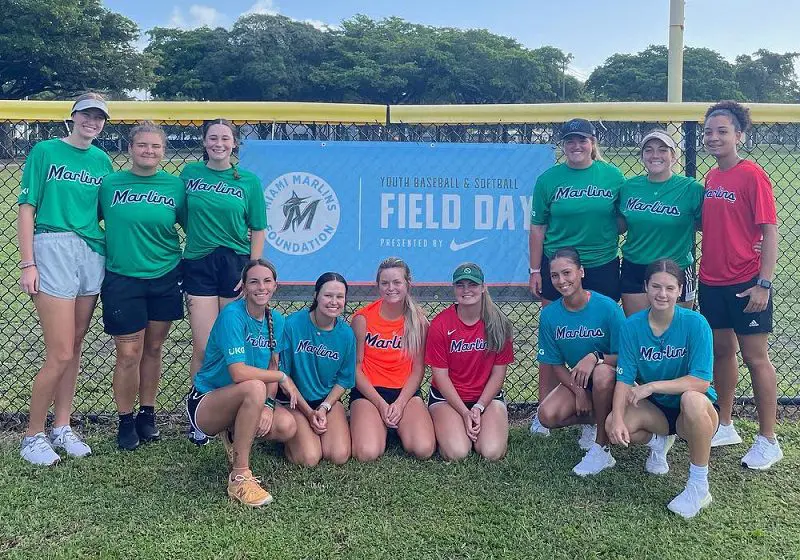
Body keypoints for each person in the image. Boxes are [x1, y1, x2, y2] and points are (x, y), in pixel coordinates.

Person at [17, 93, 113, 465]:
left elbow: (106, 211)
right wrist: (28, 263)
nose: (92, 121)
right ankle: (32, 436)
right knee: (58, 351)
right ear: (72, 116)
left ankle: (61, 426)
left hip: (91, 250)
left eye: (99, 117)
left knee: (74, 346)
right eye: (86, 115)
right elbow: (27, 208)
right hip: (53, 245)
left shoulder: (102, 160)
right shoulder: (45, 152)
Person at [529, 118, 625, 437]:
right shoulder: (549, 179)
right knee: (555, 335)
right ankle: (548, 403)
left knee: (602, 334)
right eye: (570, 140)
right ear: (563, 144)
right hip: (559, 266)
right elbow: (538, 227)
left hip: (601, 263)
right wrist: (534, 269)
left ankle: (599, 409)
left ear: (593, 142)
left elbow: (624, 219)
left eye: (582, 140)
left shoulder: (612, 176)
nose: (576, 146)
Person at [700, 101, 782, 470]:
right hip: (711, 279)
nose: (714, 137)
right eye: (708, 131)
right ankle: (727, 424)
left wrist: (763, 283)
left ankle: (768, 439)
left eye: (722, 131)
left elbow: (770, 229)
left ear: (739, 136)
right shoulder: (712, 177)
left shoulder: (753, 175)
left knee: (755, 357)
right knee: (722, 352)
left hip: (746, 281)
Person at [607, 259, 719, 519]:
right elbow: (623, 378)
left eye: (670, 288)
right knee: (616, 422)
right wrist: (618, 418)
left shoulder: (696, 323)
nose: (662, 294)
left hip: (693, 412)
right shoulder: (632, 326)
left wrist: (652, 386)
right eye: (656, 286)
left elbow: (701, 382)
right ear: (646, 287)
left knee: (691, 399)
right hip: (657, 411)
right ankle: (660, 441)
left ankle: (698, 485)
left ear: (680, 289)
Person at [98, 122, 186, 450]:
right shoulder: (110, 185)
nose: (148, 151)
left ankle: (147, 414)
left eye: (155, 146)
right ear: (130, 148)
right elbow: (88, 219)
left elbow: (192, 225)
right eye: (141, 145)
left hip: (165, 275)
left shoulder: (175, 187)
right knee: (128, 353)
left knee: (153, 348)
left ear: (164, 150)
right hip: (123, 277)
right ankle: (125, 419)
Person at [181, 118, 267, 444]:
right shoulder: (190, 175)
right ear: (204, 142)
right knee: (204, 345)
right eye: (212, 137)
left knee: (233, 345)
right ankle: (199, 414)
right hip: (199, 261)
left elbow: (257, 227)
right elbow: (183, 215)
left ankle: (231, 410)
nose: (219, 143)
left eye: (225, 138)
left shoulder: (248, 181)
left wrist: (252, 269)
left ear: (234, 144)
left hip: (234, 263)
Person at [187, 259, 299, 507]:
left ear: (275, 286)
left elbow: (272, 365)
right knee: (254, 386)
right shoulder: (232, 315)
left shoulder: (276, 321)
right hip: (207, 402)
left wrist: (269, 406)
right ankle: (239, 476)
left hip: (250, 396)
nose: (261, 287)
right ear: (244, 287)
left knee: (286, 426)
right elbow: (238, 373)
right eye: (254, 281)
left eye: (267, 281)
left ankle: (234, 433)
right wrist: (282, 378)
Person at [535, 248, 624, 476]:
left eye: (567, 273)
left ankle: (601, 448)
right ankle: (598, 420)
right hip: (581, 382)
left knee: (603, 374)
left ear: (581, 272)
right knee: (547, 415)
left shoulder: (607, 308)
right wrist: (579, 392)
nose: (562, 281)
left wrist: (595, 357)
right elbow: (555, 364)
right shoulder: (549, 315)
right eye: (555, 275)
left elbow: (627, 356)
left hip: (613, 379)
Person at [425, 263, 514, 461]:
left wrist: (479, 407)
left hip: (486, 399)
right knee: (457, 452)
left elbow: (499, 373)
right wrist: (465, 412)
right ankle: (450, 426)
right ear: (454, 288)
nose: (466, 290)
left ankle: (485, 424)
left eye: (472, 284)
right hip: (447, 399)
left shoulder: (499, 323)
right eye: (460, 285)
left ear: (483, 287)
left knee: (491, 452)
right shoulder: (441, 324)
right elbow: (440, 376)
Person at [350, 257, 435, 461]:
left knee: (423, 449)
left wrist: (399, 404)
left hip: (404, 392)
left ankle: (398, 423)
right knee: (367, 453)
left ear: (408, 283)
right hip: (370, 392)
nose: (391, 288)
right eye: (385, 283)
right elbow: (356, 368)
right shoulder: (362, 319)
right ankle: (377, 424)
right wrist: (380, 404)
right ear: (377, 285)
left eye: (397, 282)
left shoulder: (419, 321)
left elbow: (417, 369)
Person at [618, 128, 703, 316]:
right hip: (636, 265)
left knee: (676, 331)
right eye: (648, 150)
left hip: (677, 267)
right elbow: (618, 224)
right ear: (642, 156)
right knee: (638, 328)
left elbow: (710, 224)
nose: (655, 155)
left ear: (673, 156)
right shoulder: (629, 187)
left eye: (663, 149)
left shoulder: (691, 189)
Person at [279, 273, 356, 467]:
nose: (334, 302)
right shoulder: (293, 325)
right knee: (309, 458)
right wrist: (308, 412)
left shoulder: (346, 334)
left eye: (340, 297)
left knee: (338, 455)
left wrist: (324, 407)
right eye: (328, 295)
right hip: (295, 401)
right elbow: (283, 376)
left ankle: (314, 428)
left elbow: (344, 380)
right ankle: (289, 438)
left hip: (326, 401)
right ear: (316, 296)